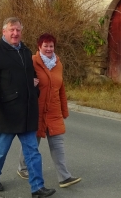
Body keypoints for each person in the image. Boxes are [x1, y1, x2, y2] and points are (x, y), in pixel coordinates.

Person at [0, 17, 55, 198]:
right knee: (1, 150)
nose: (15, 33)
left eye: (18, 30)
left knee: (33, 152)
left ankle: (37, 187)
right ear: (4, 32)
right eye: (11, 30)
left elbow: (31, 76)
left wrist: (34, 89)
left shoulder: (26, 51)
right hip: (6, 112)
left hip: (27, 111)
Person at [17, 33, 81, 188]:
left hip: (53, 111)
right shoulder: (32, 61)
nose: (48, 49)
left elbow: (61, 89)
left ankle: (64, 177)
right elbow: (19, 80)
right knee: (32, 143)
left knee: (58, 145)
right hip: (36, 110)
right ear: (39, 47)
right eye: (45, 46)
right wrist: (29, 82)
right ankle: (23, 168)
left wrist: (64, 110)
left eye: (51, 46)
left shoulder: (58, 64)